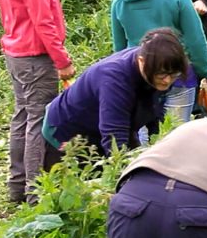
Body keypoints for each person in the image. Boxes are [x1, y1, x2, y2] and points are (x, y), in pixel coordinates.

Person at [0, 0, 75, 204]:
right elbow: (44, 22)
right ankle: (34, 192)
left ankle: (17, 185)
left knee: (22, 116)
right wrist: (62, 61)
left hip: (16, 53)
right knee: (39, 122)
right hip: (34, 56)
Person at [110, 0, 207, 129]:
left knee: (138, 135)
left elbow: (119, 48)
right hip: (177, 73)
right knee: (176, 134)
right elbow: (195, 40)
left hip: (140, 73)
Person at [41, 28, 188, 168]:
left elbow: (155, 117)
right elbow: (114, 138)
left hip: (110, 128)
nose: (167, 81)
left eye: (173, 75)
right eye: (162, 75)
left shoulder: (156, 68)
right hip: (67, 133)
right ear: (142, 61)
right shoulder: (114, 80)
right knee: (74, 189)